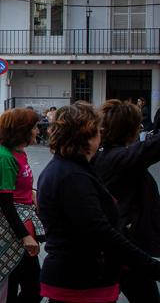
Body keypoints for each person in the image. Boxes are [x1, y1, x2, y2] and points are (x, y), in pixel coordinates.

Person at [38, 102, 160, 303]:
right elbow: (99, 231)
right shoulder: (72, 175)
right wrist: (151, 266)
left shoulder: (69, 169)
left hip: (82, 276)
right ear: (87, 135)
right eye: (97, 130)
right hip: (80, 281)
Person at [91, 99, 160, 303]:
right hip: (123, 244)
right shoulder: (121, 158)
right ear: (130, 129)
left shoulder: (100, 156)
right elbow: (153, 146)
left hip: (113, 243)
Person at [0, 108, 41, 303]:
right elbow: (5, 203)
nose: (38, 131)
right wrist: (24, 236)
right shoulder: (4, 157)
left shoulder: (19, 153)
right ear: (21, 130)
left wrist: (31, 193)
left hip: (21, 227)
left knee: (34, 287)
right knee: (8, 287)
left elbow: (18, 187)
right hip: (9, 230)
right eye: (34, 127)